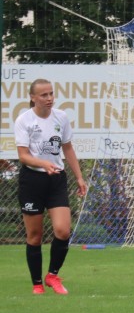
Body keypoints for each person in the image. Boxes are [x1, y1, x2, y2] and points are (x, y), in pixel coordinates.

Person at [14, 78, 88, 295]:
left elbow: (68, 148)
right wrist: (42, 163)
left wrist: (79, 177)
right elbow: (23, 156)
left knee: (63, 231)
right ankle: (37, 284)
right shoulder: (24, 120)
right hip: (32, 181)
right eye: (44, 95)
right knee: (34, 235)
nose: (49, 98)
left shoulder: (61, 117)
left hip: (56, 179)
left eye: (51, 94)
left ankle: (52, 276)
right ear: (33, 97)